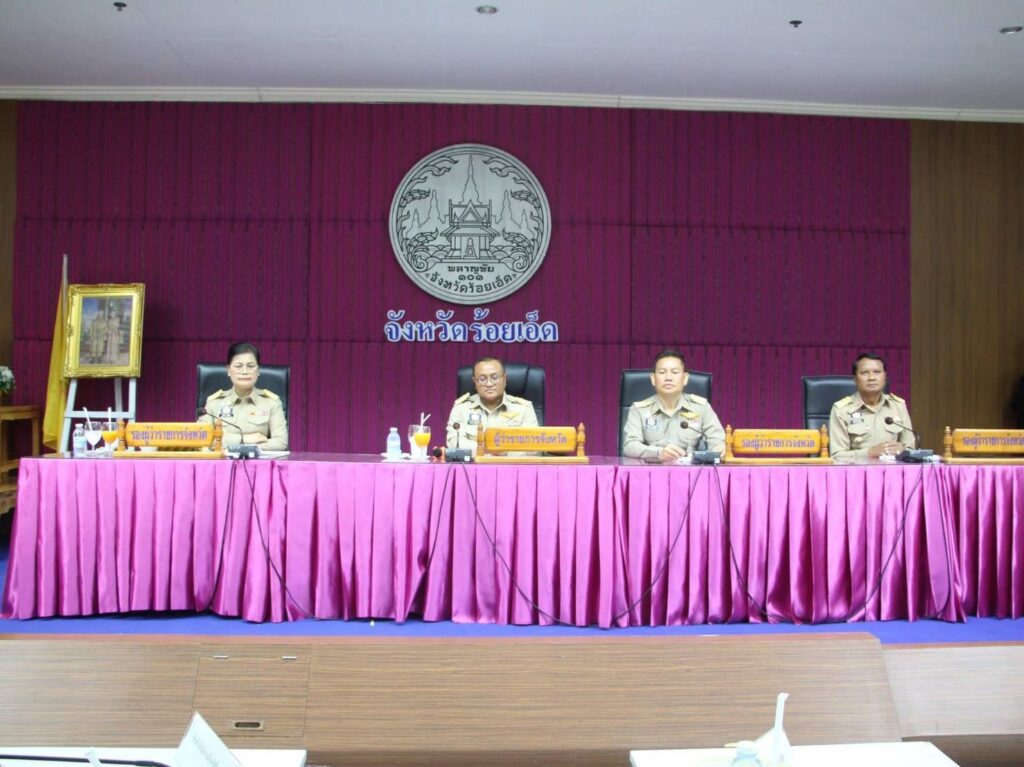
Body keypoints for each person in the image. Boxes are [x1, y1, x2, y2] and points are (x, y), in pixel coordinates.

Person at [622, 350, 725, 462]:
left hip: (690, 471)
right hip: (652, 470)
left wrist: (719, 449)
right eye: (662, 372)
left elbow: (717, 442)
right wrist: (658, 453)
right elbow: (629, 446)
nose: (668, 378)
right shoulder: (639, 410)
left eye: (675, 372)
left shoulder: (701, 408)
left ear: (685, 378)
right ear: (653, 379)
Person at [199, 342, 288, 450]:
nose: (245, 372)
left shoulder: (271, 402)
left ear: (258, 370)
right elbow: (202, 440)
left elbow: (280, 442)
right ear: (228, 370)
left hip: (258, 461)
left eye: (250, 366)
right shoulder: (214, 403)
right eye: (238, 366)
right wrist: (242, 439)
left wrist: (236, 446)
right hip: (224, 461)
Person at [828, 353, 914, 461]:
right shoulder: (841, 410)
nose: (872, 378)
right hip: (857, 470)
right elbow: (837, 455)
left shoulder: (898, 406)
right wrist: (868, 453)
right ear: (855, 379)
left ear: (884, 376)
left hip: (893, 470)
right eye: (864, 373)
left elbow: (912, 449)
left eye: (877, 372)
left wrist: (904, 451)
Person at [446, 357, 538, 452]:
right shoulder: (461, 408)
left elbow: (533, 449)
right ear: (475, 382)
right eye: (482, 379)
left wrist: (503, 453)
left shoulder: (524, 409)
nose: (489, 384)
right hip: (474, 462)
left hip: (511, 462)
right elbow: (454, 443)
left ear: (504, 379)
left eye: (494, 378)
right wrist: (488, 449)